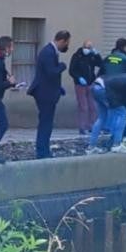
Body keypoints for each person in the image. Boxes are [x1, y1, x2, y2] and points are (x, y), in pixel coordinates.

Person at [27, 31, 71, 159]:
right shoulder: (48, 52)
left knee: (47, 122)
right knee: (46, 123)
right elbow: (51, 72)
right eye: (67, 43)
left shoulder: (51, 51)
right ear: (62, 41)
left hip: (48, 91)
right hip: (44, 94)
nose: (66, 46)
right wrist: (62, 66)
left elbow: (48, 75)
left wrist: (58, 88)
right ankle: (42, 152)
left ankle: (44, 149)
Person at [86, 72, 126, 154]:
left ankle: (91, 147)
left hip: (95, 86)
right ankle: (117, 145)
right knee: (123, 113)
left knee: (102, 117)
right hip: (103, 89)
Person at [68, 41, 103, 134]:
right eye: (87, 47)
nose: (88, 49)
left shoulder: (91, 56)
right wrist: (78, 77)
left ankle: (92, 126)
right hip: (80, 84)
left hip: (91, 83)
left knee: (93, 106)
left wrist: (97, 54)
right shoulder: (77, 56)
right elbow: (72, 70)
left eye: (90, 48)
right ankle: (82, 127)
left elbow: (101, 64)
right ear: (83, 46)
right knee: (83, 106)